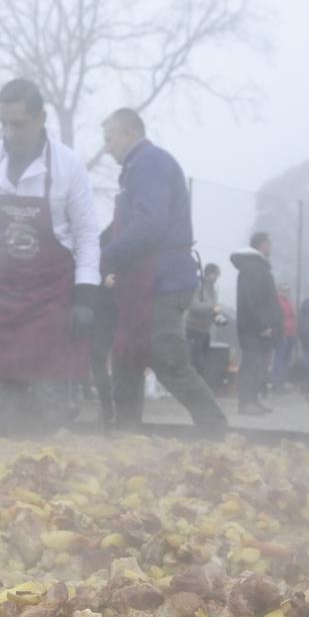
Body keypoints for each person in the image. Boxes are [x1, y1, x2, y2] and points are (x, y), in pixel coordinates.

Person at [0, 79, 102, 431]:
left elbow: (86, 235)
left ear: (41, 118)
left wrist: (86, 295)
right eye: (3, 122)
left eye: (18, 123)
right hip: (3, 295)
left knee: (46, 406)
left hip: (51, 298)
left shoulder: (68, 165)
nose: (10, 131)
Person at [97, 108, 227, 431]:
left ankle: (216, 431)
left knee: (167, 359)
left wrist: (107, 256)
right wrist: (94, 247)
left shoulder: (149, 163)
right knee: (127, 357)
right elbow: (124, 224)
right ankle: (125, 435)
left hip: (161, 280)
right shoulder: (136, 169)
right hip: (149, 281)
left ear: (129, 134)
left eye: (109, 139)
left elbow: (149, 225)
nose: (107, 147)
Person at [232, 232, 280, 416]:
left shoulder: (259, 267)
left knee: (259, 365)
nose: (271, 247)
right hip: (252, 328)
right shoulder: (252, 268)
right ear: (262, 244)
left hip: (257, 328)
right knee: (251, 364)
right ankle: (245, 403)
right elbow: (252, 300)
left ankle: (253, 400)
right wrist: (263, 324)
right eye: (269, 243)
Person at [187, 263, 223, 376]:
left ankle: (201, 387)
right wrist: (211, 306)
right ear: (208, 273)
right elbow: (193, 306)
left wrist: (219, 320)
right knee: (196, 362)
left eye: (218, 274)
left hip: (205, 332)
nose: (217, 277)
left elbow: (214, 310)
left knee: (203, 361)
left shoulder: (214, 291)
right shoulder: (198, 286)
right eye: (215, 274)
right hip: (193, 330)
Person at [271, 283, 297, 392]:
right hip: (282, 334)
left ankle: (282, 382)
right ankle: (277, 384)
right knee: (279, 359)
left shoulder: (289, 302)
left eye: (288, 290)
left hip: (291, 334)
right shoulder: (276, 302)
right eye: (284, 290)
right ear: (279, 290)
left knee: (286, 360)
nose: (286, 292)